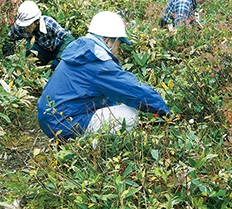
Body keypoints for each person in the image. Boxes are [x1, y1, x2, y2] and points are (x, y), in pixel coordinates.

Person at [37, 11, 171, 141]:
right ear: (107, 41)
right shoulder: (96, 62)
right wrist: (163, 110)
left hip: (51, 120)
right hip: (64, 125)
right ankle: (94, 151)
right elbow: (132, 90)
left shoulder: (80, 52)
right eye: (119, 44)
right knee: (129, 115)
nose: (118, 50)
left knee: (111, 105)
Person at [2, 0, 75, 70]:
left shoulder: (48, 23)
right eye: (24, 26)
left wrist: (59, 59)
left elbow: (68, 37)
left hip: (56, 48)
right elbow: (9, 39)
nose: (25, 29)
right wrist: (8, 55)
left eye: (28, 26)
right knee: (28, 49)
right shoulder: (20, 27)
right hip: (41, 50)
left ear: (37, 21)